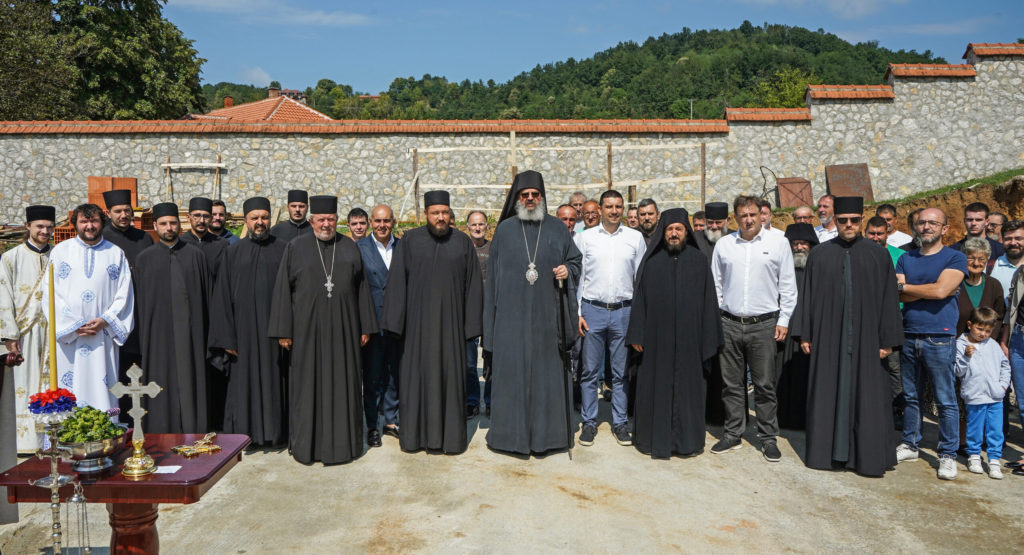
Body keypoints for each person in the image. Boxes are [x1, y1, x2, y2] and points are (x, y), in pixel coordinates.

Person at [794, 196, 903, 477]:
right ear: (835, 221)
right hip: (828, 339)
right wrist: (805, 333)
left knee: (867, 397)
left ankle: (863, 457)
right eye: (843, 221)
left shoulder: (878, 255)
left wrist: (888, 340)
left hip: (868, 340)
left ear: (862, 220)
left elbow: (889, 299)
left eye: (854, 220)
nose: (849, 225)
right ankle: (827, 455)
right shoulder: (820, 254)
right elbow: (806, 297)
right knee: (828, 392)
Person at [268, 195, 376, 464]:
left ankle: (345, 446)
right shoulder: (295, 247)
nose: (326, 224)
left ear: (336, 221)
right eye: (321, 220)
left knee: (345, 385)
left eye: (330, 219)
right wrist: (284, 330)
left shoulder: (350, 247)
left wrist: (365, 326)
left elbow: (362, 288)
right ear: (311, 221)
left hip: (345, 331)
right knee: (307, 387)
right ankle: (308, 446)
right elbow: (283, 289)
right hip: (306, 333)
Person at [483, 170, 580, 455]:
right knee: (512, 379)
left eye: (534, 195)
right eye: (524, 195)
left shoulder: (557, 228)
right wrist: (492, 329)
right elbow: (492, 285)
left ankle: (548, 438)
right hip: (510, 323)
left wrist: (567, 270)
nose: (529, 199)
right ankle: (508, 438)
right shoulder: (504, 230)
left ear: (542, 197)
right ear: (517, 198)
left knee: (546, 378)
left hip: (547, 322)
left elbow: (574, 260)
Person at [381, 190, 483, 454]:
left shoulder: (462, 243)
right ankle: (415, 438)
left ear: (450, 215)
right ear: (425, 214)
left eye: (444, 213)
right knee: (416, 382)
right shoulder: (410, 241)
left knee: (451, 382)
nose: (440, 217)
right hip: (416, 330)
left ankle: (450, 441)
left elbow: (473, 286)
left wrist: (471, 328)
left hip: (451, 329)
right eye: (435, 212)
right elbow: (396, 283)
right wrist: (394, 324)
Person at [627, 208, 720, 458]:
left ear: (687, 232)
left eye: (679, 229)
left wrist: (708, 338)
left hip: (691, 341)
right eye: (670, 230)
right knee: (656, 386)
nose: (675, 234)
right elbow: (640, 300)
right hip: (657, 341)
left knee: (689, 390)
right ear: (663, 233)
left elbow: (709, 301)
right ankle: (652, 440)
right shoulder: (652, 262)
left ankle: (687, 442)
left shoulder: (699, 261)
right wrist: (637, 334)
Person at [710, 195, 797, 462]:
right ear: (735, 218)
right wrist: (718, 318)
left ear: (762, 215)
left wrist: (783, 320)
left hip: (764, 325)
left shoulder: (779, 243)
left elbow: (788, 286)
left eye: (752, 214)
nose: (748, 220)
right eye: (742, 215)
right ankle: (733, 433)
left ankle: (768, 438)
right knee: (731, 384)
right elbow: (716, 285)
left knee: (764, 385)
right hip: (730, 324)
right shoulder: (725, 245)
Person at [208, 197, 289, 446]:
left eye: (264, 217)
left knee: (276, 382)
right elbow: (221, 297)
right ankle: (246, 436)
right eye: (255, 218)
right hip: (241, 335)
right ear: (246, 221)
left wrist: (287, 329)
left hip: (275, 334)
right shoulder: (232, 252)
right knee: (243, 385)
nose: (260, 222)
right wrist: (227, 337)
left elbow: (293, 293)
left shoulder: (284, 249)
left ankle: (277, 434)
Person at [896, 207, 969, 480]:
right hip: (909, 332)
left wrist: (911, 288)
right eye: (922, 222)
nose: (926, 227)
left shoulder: (955, 257)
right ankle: (910, 443)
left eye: (933, 223)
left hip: (940, 335)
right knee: (911, 396)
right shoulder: (906, 257)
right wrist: (927, 289)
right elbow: (899, 294)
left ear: (944, 229)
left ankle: (947, 454)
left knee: (945, 399)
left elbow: (941, 291)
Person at [575, 189, 646, 447]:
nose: (614, 211)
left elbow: (641, 282)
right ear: (600, 209)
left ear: (624, 209)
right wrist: (578, 312)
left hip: (624, 312)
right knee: (589, 371)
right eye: (609, 206)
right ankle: (590, 422)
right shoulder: (585, 239)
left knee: (620, 373)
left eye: (618, 206)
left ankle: (620, 423)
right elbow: (578, 279)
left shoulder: (635, 238)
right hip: (592, 310)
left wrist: (639, 317)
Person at [134, 202, 213, 434]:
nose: (169, 227)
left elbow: (207, 298)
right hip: (157, 337)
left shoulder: (196, 255)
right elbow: (138, 303)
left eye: (173, 223)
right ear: (155, 226)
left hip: (192, 335)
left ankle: (195, 431)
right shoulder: (145, 259)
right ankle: (161, 432)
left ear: (180, 224)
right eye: (164, 223)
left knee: (192, 381)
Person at [47, 204, 134, 412]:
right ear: (75, 223)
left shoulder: (115, 253)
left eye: (94, 221)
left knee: (102, 388)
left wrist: (106, 319)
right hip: (69, 338)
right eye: (84, 222)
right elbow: (50, 294)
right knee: (68, 389)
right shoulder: (60, 252)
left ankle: (106, 440)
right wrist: (74, 325)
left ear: (101, 222)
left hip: (102, 335)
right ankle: (68, 440)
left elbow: (125, 293)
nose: (89, 226)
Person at [0, 205, 55, 452]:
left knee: (52, 386)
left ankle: (52, 441)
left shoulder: (58, 255)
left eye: (49, 227)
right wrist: (9, 335)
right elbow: (3, 296)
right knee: (26, 385)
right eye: (39, 227)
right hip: (25, 333)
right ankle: (25, 444)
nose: (45, 231)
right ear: (28, 227)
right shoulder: (11, 258)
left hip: (54, 333)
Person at [100, 189, 153, 410]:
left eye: (127, 211)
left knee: (140, 370)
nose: (123, 215)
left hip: (141, 313)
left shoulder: (144, 238)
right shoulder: (102, 239)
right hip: (113, 316)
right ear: (108, 212)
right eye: (118, 211)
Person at [355, 204, 401, 447]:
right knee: (372, 377)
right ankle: (372, 425)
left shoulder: (403, 246)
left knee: (395, 373)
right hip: (371, 323)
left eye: (387, 221)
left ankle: (391, 419)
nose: (382, 225)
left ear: (394, 222)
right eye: (378, 221)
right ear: (371, 222)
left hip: (396, 322)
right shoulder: (359, 249)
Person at [955, 307, 1010, 479]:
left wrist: (1002, 386)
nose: (983, 334)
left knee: (995, 430)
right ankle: (974, 456)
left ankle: (994, 460)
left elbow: (1005, 366)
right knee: (975, 428)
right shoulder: (960, 344)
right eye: (980, 329)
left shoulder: (993, 345)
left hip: (995, 396)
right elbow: (958, 371)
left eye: (988, 330)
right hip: (975, 395)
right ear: (970, 325)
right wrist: (965, 357)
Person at [774, 222, 818, 430]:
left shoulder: (819, 268)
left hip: (808, 332)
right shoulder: (779, 267)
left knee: (804, 377)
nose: (799, 247)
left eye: (804, 243)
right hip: (782, 330)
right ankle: (780, 419)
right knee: (779, 376)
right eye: (795, 243)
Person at [865, 217, 908, 423]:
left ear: (887, 233)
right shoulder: (857, 252)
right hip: (865, 315)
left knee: (893, 365)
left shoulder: (899, 256)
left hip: (892, 314)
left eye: (879, 233)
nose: (875, 237)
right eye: (871, 233)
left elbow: (902, 286)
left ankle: (897, 409)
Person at [694, 200, 729, 426]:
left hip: (727, 314)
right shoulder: (695, 241)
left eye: (719, 222)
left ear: (726, 222)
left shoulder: (735, 240)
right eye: (711, 222)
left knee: (726, 369)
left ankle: (723, 416)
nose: (714, 226)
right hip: (698, 313)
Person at [465, 210, 492, 418]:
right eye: (474, 224)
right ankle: (472, 400)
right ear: (467, 227)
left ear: (487, 227)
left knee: (492, 360)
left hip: (491, 313)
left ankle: (491, 400)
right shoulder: (462, 249)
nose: (477, 228)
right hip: (469, 314)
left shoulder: (494, 249)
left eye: (481, 224)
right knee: (469, 362)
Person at [956, 237, 1005, 337]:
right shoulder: (955, 282)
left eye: (981, 259)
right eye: (971, 258)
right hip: (955, 344)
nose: (976, 263)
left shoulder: (994, 285)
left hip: (984, 345)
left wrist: (989, 340)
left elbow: (999, 317)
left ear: (987, 259)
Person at [179, 196, 228, 278]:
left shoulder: (222, 245)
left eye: (206, 216)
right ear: (188, 217)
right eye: (197, 216)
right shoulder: (180, 244)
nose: (201, 220)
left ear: (211, 218)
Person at [990, 220, 1024, 302]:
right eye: (1008, 239)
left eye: (1018, 238)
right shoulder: (990, 267)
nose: (1013, 243)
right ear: (1002, 240)